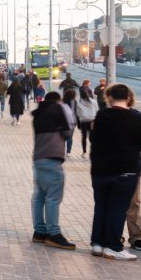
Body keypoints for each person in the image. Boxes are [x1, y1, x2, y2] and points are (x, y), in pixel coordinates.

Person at [88, 82, 141, 259]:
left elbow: (93, 138)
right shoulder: (138, 118)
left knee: (101, 207)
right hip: (126, 170)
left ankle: (97, 244)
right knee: (117, 209)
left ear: (109, 97)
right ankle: (113, 247)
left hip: (100, 170)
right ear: (129, 97)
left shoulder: (101, 116)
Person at [30, 90, 75, 249]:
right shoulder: (58, 109)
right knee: (53, 197)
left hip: (38, 158)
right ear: (58, 100)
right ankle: (53, 234)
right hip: (52, 158)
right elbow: (68, 131)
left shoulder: (39, 114)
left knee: (39, 196)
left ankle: (39, 231)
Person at [121, 86, 141, 254]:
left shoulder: (138, 117)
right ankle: (116, 235)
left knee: (134, 203)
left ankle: (136, 237)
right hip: (112, 168)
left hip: (132, 166)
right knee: (117, 204)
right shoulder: (107, 116)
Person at [75, 83, 98, 157]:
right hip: (92, 121)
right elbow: (97, 111)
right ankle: (93, 151)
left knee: (84, 137)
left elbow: (78, 114)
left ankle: (84, 152)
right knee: (92, 137)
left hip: (83, 121)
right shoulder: (93, 102)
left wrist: (78, 124)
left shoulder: (79, 103)